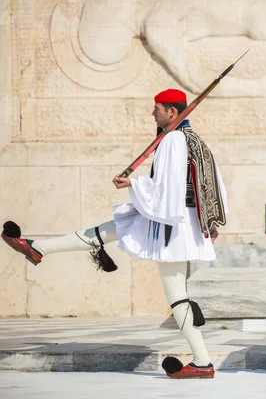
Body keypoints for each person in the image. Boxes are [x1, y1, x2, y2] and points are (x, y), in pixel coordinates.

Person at [2, 88, 228, 379]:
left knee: (177, 297)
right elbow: (212, 186)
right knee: (108, 230)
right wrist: (209, 221)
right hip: (175, 219)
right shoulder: (192, 139)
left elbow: (166, 190)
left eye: (157, 108)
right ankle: (38, 248)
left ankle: (202, 362)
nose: (153, 113)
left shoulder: (173, 140)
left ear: (172, 112)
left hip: (172, 224)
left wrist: (132, 184)